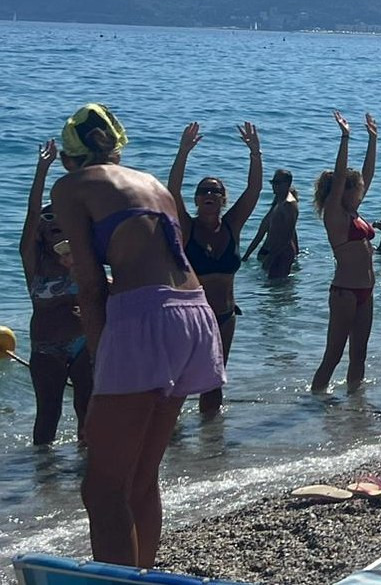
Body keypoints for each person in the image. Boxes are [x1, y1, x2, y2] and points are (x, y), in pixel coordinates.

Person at [50, 104, 224, 566]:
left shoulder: (69, 188)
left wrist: (96, 367)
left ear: (70, 158)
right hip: (194, 314)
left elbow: (88, 286)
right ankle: (143, 575)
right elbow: (159, 265)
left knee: (102, 488)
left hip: (144, 321)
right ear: (116, 148)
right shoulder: (152, 185)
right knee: (143, 478)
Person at [167, 121, 263, 415]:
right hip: (193, 316)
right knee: (180, 381)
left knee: (215, 380)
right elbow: (172, 190)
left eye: (215, 191)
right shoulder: (188, 227)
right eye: (203, 191)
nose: (209, 194)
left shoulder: (232, 225)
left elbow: (254, 189)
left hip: (225, 316)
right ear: (197, 200)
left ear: (223, 199)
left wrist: (255, 153)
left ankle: (211, 445)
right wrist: (183, 152)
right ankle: (169, 439)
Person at [21, 140, 93, 445]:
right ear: (42, 233)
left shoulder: (84, 259)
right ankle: (43, 481)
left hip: (83, 344)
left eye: (63, 224)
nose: (57, 229)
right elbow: (34, 211)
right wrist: (43, 168)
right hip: (46, 347)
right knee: (48, 415)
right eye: (50, 225)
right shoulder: (33, 263)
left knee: (86, 412)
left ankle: (87, 471)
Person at [310, 111, 378, 393]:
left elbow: (369, 172)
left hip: (366, 290)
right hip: (345, 291)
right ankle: (315, 401)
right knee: (334, 355)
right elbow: (340, 177)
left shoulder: (353, 211)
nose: (363, 187)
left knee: (359, 355)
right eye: (358, 186)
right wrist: (345, 137)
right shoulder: (335, 214)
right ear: (346, 190)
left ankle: (355, 405)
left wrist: (373, 140)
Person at [243, 168, 299, 279]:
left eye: (277, 183)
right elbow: (261, 231)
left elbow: (289, 235)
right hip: (270, 251)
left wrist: (271, 257)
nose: (274, 186)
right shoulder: (278, 203)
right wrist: (246, 256)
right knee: (271, 289)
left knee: (278, 287)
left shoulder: (289, 205)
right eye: (273, 183)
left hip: (280, 253)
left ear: (287, 183)